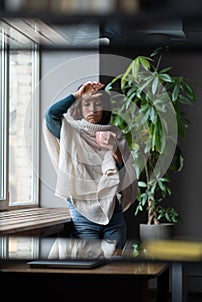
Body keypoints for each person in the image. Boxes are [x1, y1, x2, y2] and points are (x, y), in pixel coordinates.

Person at [44, 81, 138, 251]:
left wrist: (114, 151)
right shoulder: (71, 133)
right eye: (86, 104)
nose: (93, 109)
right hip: (82, 210)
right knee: (89, 262)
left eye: (98, 104)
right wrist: (78, 94)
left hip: (112, 211)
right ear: (79, 107)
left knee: (114, 264)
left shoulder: (115, 134)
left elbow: (125, 179)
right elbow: (51, 115)